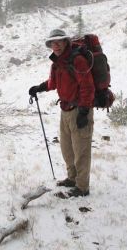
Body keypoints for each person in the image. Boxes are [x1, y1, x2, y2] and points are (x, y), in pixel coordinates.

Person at [29, 29, 95, 198]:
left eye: (59, 41)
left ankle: (82, 187)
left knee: (81, 150)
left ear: (66, 42)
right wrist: (39, 88)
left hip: (80, 110)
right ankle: (72, 179)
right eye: (52, 42)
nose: (56, 45)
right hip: (65, 110)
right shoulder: (57, 63)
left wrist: (84, 111)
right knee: (67, 148)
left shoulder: (78, 60)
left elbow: (88, 87)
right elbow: (52, 84)